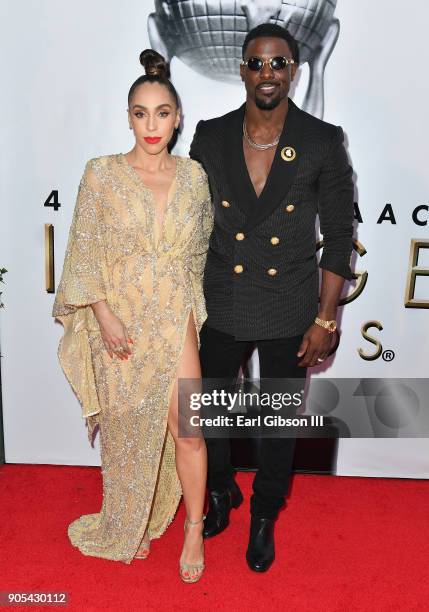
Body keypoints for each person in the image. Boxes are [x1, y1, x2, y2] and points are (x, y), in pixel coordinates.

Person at [190, 23, 354, 572]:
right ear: (241, 70)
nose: (268, 73)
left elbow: (336, 237)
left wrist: (325, 319)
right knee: (208, 414)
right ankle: (218, 493)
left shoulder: (321, 140)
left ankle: (263, 516)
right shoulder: (209, 138)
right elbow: (188, 228)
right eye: (257, 63)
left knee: (278, 422)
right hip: (223, 300)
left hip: (288, 305)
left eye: (279, 63)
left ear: (294, 71)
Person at [52, 49, 213, 583]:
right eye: (141, 113)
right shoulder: (100, 175)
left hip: (173, 316)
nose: (152, 125)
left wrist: (190, 315)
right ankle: (130, 518)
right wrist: (103, 315)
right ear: (127, 117)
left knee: (188, 430)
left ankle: (193, 526)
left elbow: (197, 254)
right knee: (126, 435)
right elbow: (82, 253)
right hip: (118, 323)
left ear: (177, 117)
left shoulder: (194, 179)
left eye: (162, 113)